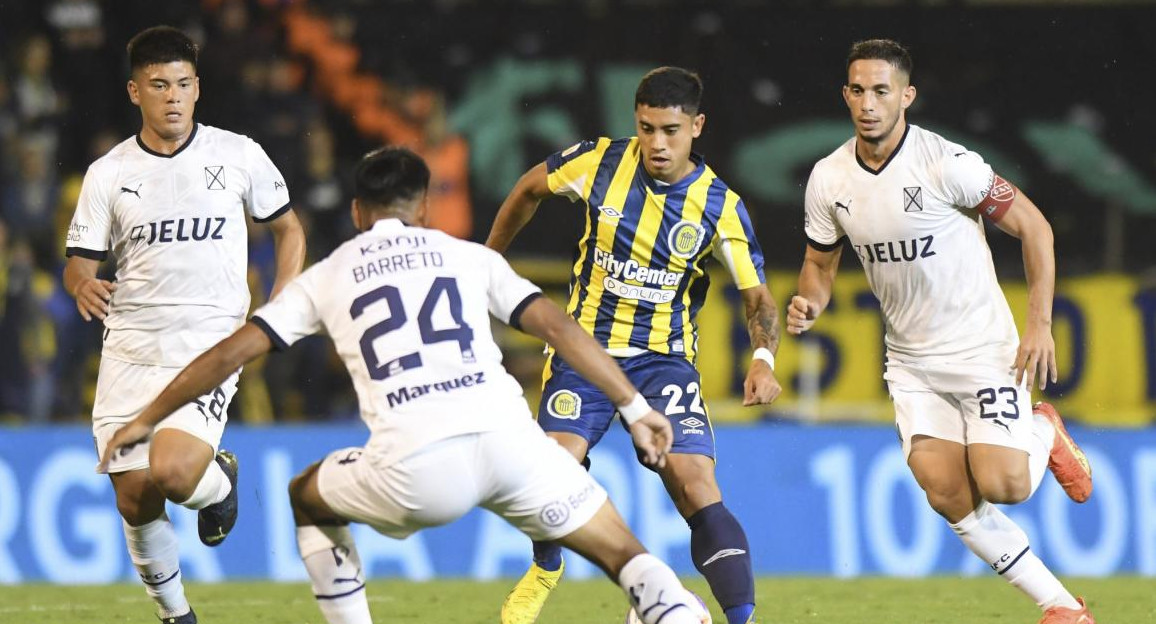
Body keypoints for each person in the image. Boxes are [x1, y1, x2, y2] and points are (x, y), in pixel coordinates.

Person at [98, 147, 711, 624]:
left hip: (418, 469)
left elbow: (235, 349)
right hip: (513, 449)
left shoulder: (331, 274)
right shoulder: (469, 258)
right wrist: (633, 405)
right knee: (631, 561)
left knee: (307, 495)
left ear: (358, 213)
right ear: (424, 210)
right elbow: (557, 324)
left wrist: (149, 416)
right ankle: (675, 607)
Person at [787, 39, 1095, 624]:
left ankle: (1043, 431)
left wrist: (1038, 325)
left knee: (1003, 485)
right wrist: (810, 302)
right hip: (910, 360)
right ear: (845, 95)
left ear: (907, 95)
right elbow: (820, 265)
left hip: (982, 350)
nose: (868, 103)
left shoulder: (948, 164)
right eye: (858, 90)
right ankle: (1060, 607)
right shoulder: (828, 179)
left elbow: (1035, 228)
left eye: (882, 91)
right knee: (946, 491)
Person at [486, 66, 781, 624]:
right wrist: (487, 259)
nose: (657, 144)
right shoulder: (598, 162)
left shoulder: (718, 206)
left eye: (670, 130)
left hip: (662, 362)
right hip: (584, 352)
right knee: (554, 465)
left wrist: (763, 359)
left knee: (695, 484)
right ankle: (547, 566)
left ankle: (740, 619)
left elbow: (759, 298)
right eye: (646, 129)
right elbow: (528, 189)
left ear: (697, 126)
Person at [63, 26, 306, 624]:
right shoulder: (107, 173)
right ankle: (177, 617)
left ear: (198, 88)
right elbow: (79, 262)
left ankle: (217, 484)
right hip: (130, 347)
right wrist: (81, 285)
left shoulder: (238, 153)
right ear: (133, 92)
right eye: (158, 85)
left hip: (209, 342)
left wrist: (281, 306)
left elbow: (290, 230)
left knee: (171, 472)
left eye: (183, 84)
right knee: (133, 494)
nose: (172, 97)